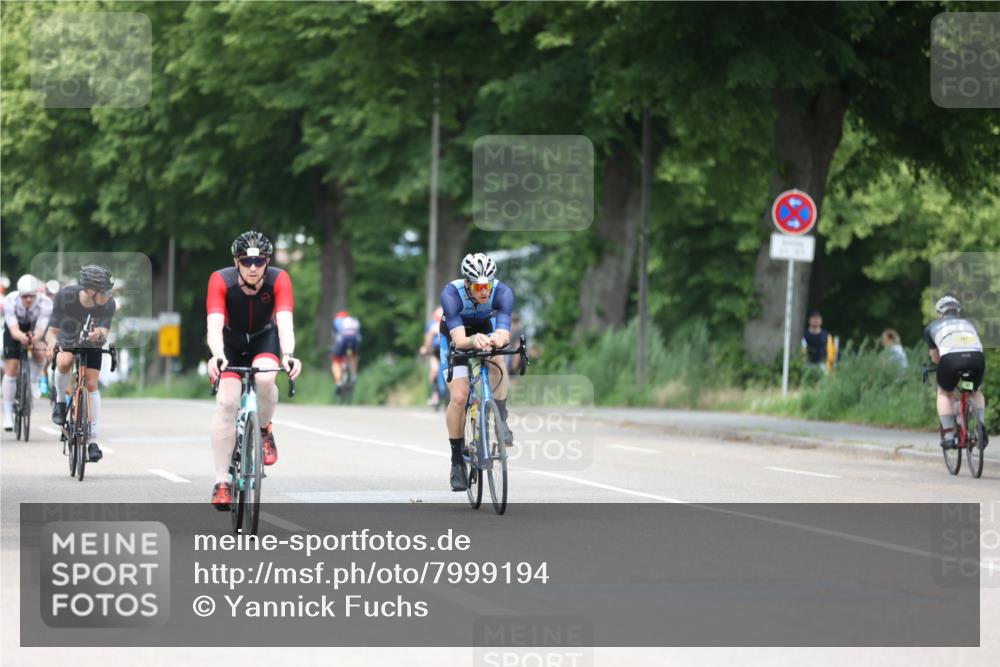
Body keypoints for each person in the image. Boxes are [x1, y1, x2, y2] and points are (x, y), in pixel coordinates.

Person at [206, 231, 301, 509]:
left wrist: (289, 355)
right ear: (236, 261)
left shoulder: (279, 279)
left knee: (267, 377)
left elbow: (285, 321)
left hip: (263, 337)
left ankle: (263, 430)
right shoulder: (220, 280)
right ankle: (222, 481)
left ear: (267, 262)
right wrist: (218, 356)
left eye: (259, 262)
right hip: (229, 341)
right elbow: (213, 325)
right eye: (246, 262)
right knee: (226, 402)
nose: (252, 268)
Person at [439, 252, 515, 492]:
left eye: (488, 285)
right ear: (468, 283)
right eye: (479, 286)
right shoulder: (451, 294)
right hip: (454, 336)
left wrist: (500, 336)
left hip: (484, 327)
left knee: (498, 359)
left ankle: (501, 419)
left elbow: (503, 330)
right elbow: (461, 341)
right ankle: (457, 462)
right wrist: (474, 341)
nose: (484, 292)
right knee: (460, 397)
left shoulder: (502, 292)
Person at [45, 266, 116, 463]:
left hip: (91, 343)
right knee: (65, 361)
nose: (110, 296)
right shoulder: (65, 297)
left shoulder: (109, 304)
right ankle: (60, 401)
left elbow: (103, 334)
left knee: (91, 384)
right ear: (91, 291)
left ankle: (93, 440)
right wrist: (51, 344)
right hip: (69, 337)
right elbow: (51, 331)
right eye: (106, 291)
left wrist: (98, 336)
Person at [924, 296, 987, 450]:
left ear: (940, 314)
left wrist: (949, 371)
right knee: (974, 390)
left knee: (944, 393)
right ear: (958, 311)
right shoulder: (970, 323)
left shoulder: (932, 327)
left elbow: (936, 358)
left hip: (951, 361)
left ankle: (948, 434)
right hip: (976, 359)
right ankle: (980, 429)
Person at [2, 275, 53, 429]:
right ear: (19, 294)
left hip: (34, 328)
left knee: (41, 352)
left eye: (31, 296)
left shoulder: (46, 303)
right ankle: (8, 415)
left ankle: (34, 381)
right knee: (11, 367)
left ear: (37, 294)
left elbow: (40, 329)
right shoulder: (10, 300)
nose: (28, 300)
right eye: (25, 297)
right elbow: (13, 329)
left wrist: (34, 338)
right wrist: (21, 337)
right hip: (15, 330)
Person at [330, 309, 361, 391]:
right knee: (353, 355)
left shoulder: (336, 321)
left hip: (343, 341)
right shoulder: (352, 321)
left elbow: (335, 337)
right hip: (354, 341)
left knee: (336, 360)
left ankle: (338, 383)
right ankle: (354, 375)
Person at [419, 306, 444, 407]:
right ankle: (435, 394)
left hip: (447, 350)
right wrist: (425, 348)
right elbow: (428, 339)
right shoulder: (432, 325)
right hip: (436, 351)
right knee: (434, 370)